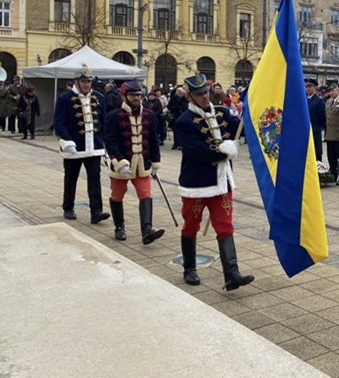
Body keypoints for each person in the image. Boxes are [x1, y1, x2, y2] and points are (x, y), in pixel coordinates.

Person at [174, 74, 254, 291]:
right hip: (197, 184)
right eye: (199, 94)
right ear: (190, 96)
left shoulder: (222, 112)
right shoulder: (183, 122)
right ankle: (189, 268)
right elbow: (195, 151)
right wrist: (220, 150)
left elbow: (241, 128)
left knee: (225, 226)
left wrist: (252, 112)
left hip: (222, 181)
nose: (205, 97)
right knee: (191, 226)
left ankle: (232, 274)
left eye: (206, 92)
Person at [104, 81, 165, 244]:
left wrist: (155, 162)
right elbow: (110, 141)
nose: (136, 98)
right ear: (125, 96)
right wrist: (117, 161)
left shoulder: (149, 115)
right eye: (132, 95)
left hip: (142, 164)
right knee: (117, 196)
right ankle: (119, 227)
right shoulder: (114, 116)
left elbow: (153, 140)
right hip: (122, 164)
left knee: (145, 195)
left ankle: (147, 231)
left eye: (139, 95)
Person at [53, 66, 111, 223]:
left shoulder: (99, 97)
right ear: (76, 82)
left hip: (94, 147)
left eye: (89, 81)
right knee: (71, 178)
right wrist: (65, 140)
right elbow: (59, 122)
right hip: (74, 147)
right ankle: (68, 207)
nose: (86, 85)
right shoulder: (64, 99)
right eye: (83, 81)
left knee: (95, 179)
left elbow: (104, 121)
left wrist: (106, 143)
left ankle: (96, 211)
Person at [305, 78, 326, 162]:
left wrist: (319, 127)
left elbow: (322, 116)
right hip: (305, 129)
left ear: (315, 88)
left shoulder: (318, 101)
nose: (308, 88)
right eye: (307, 86)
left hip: (315, 128)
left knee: (316, 150)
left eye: (310, 86)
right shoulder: (304, 99)